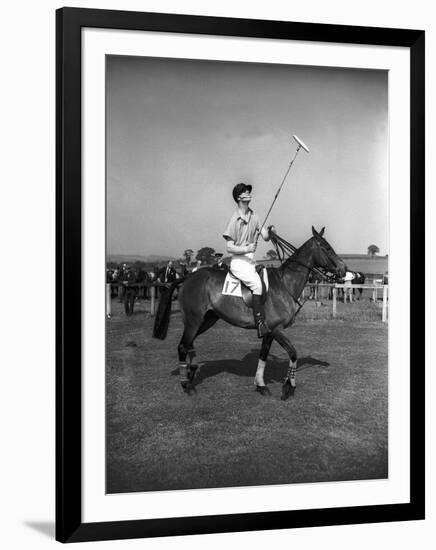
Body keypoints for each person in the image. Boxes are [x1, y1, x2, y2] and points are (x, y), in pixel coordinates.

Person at [223, 182, 273, 338]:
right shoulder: (234, 220)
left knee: (267, 281)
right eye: (245, 191)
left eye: (249, 191)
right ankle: (260, 323)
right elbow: (229, 247)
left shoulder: (255, 216)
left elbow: (265, 236)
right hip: (238, 261)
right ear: (239, 197)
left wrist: (270, 231)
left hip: (251, 262)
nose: (249, 193)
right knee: (257, 286)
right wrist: (246, 249)